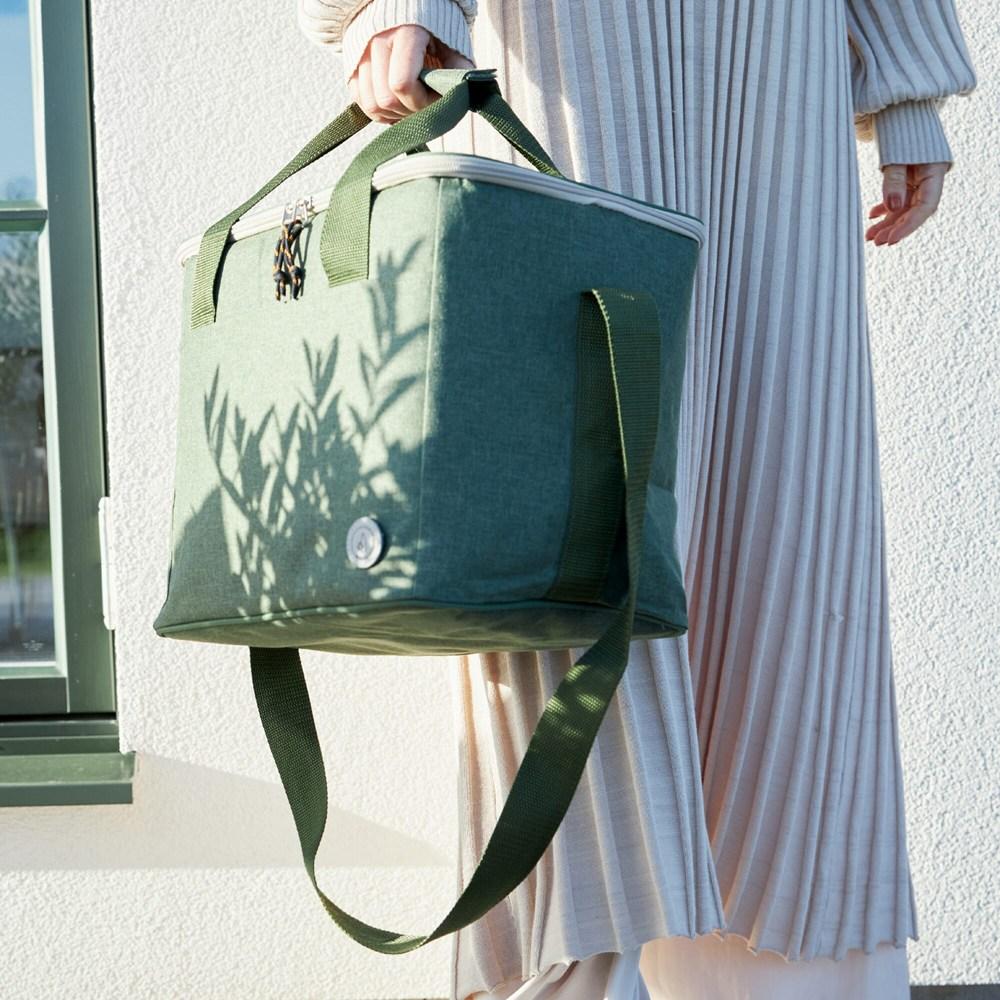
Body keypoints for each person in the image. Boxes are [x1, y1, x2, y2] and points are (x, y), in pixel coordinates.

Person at [295, 2, 979, 998]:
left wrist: (903, 75)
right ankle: (577, 961)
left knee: (786, 524)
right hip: (569, 41)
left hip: (775, 54)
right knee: (577, 532)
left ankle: (785, 970)